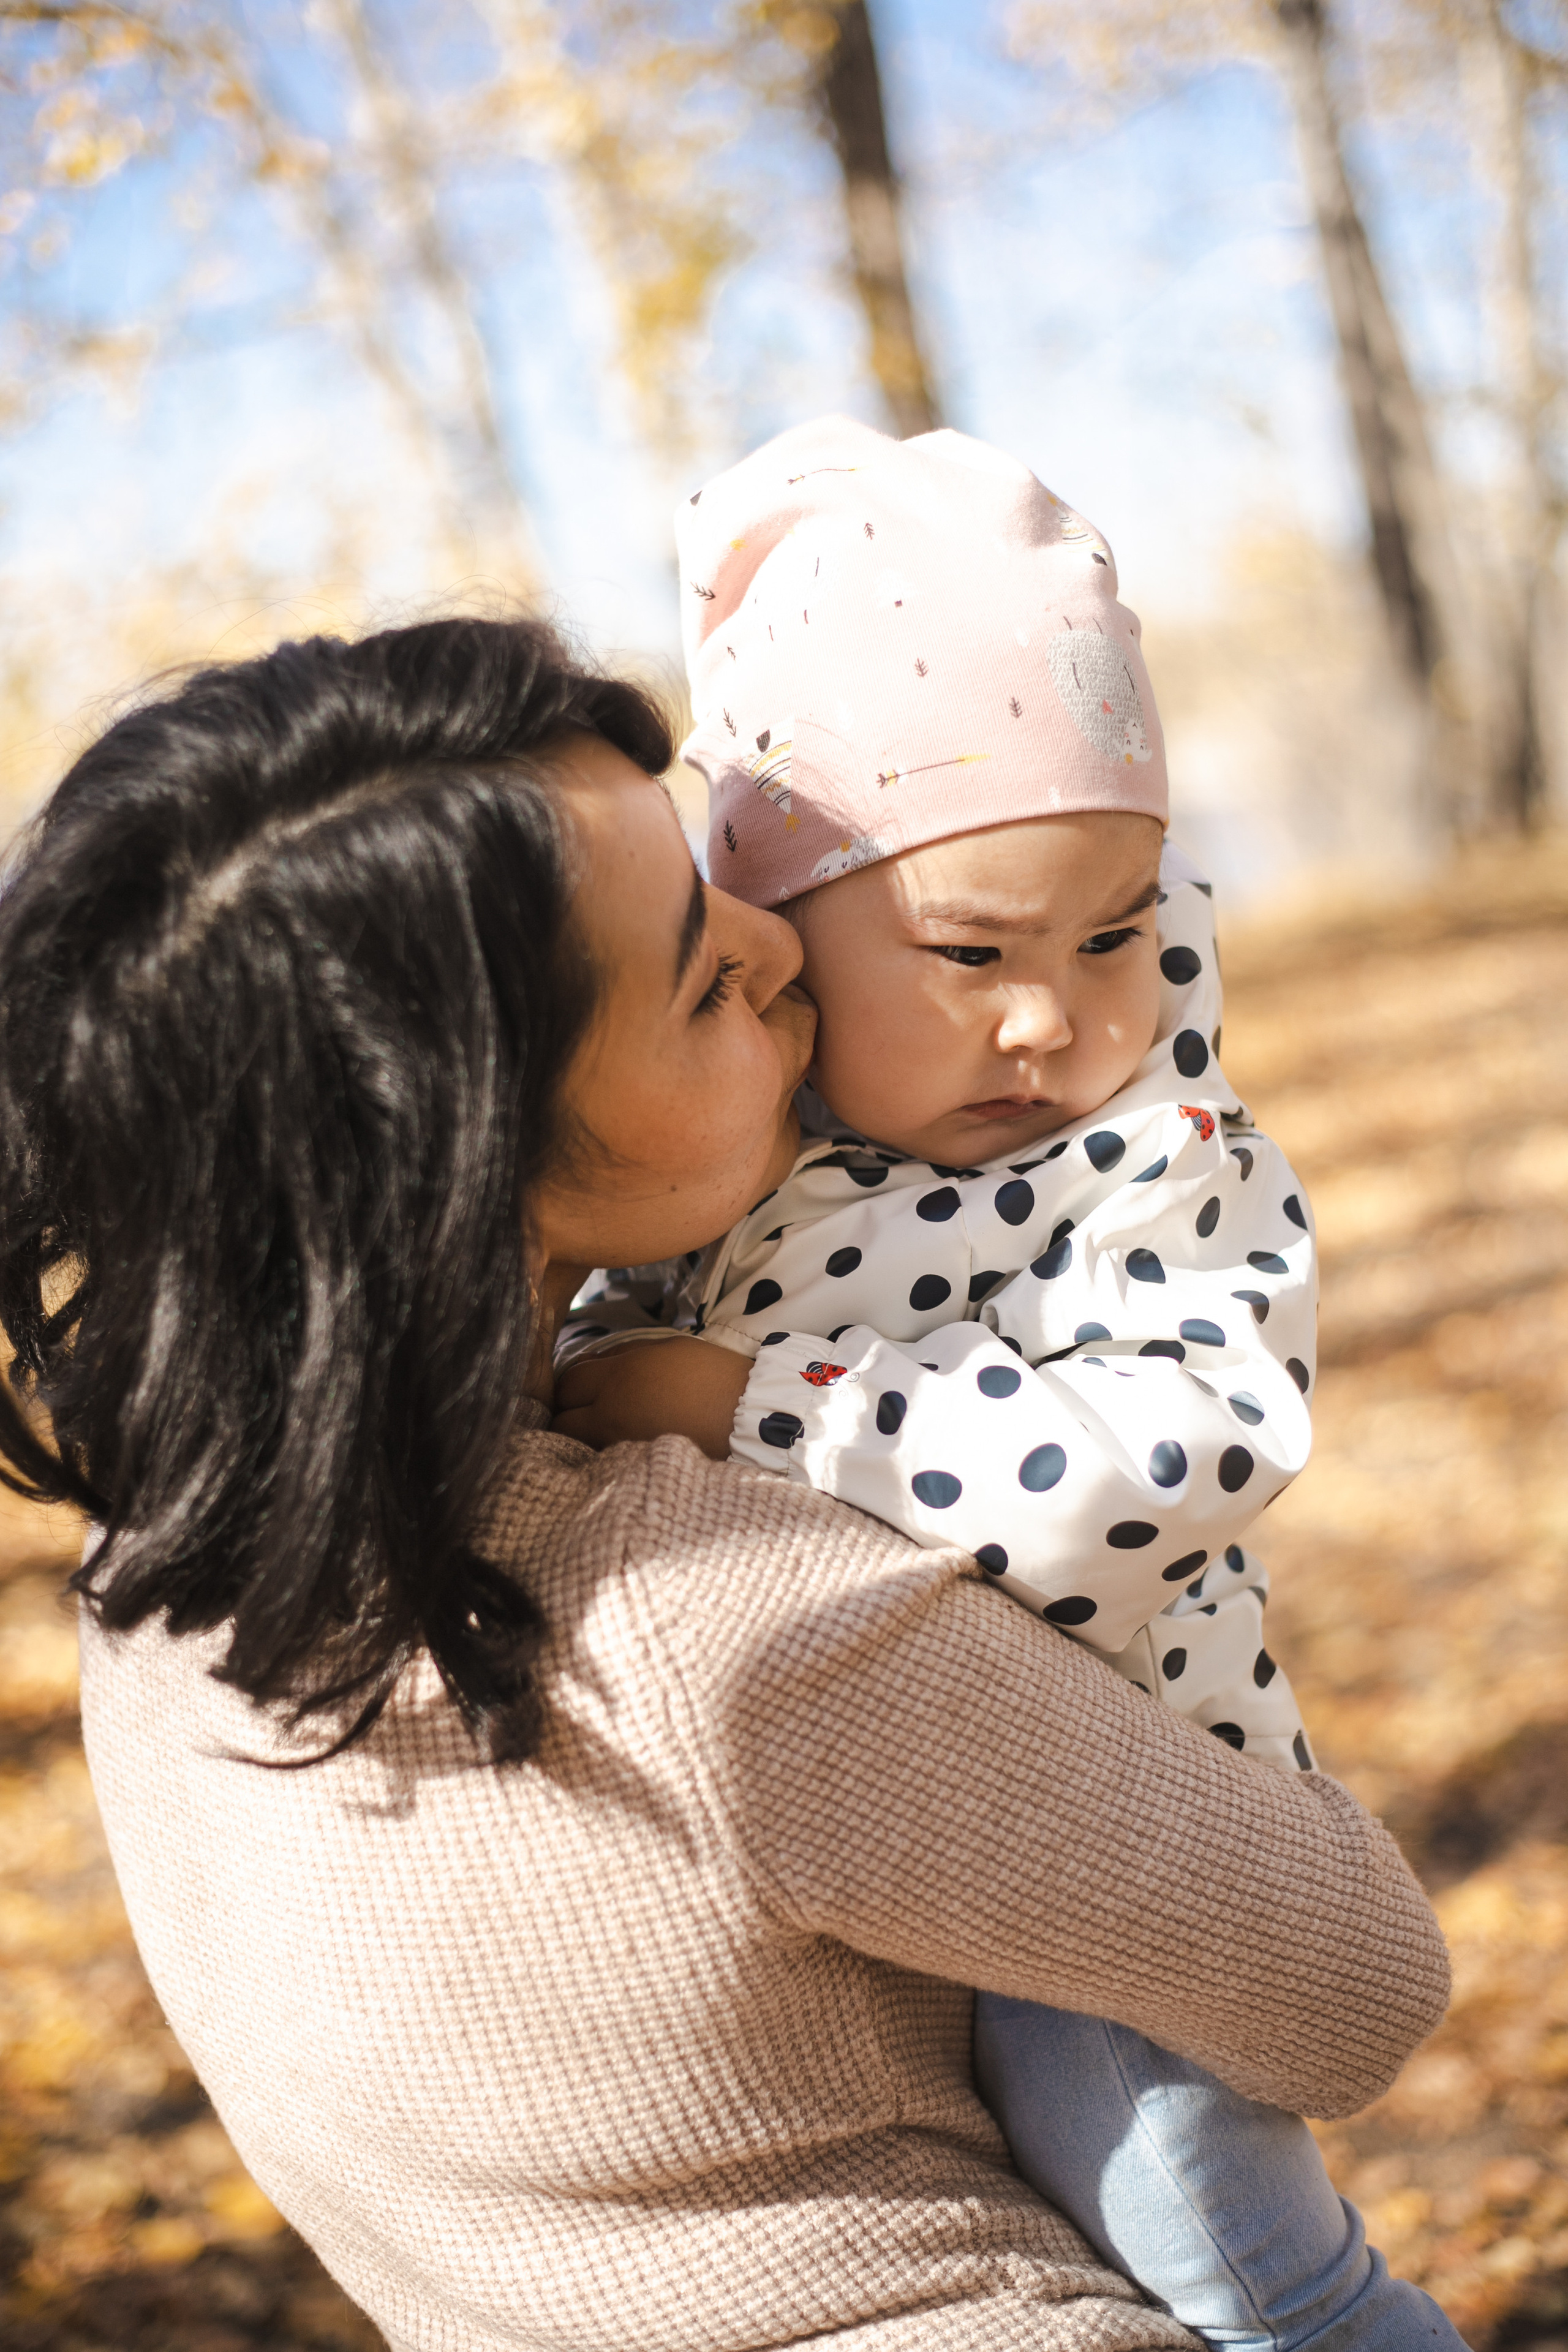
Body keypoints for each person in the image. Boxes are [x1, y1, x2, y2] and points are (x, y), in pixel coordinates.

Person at [0, 617, 1453, 2352]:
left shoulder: (165, 1595)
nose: (786, 944)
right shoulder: (727, 1626)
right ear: (470, 1158)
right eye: (702, 976)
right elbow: (1356, 1984)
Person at [552, 421, 1466, 2352]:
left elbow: (1172, 1454)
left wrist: (760, 1410)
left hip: (1116, 1835)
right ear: (776, 938)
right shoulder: (753, 1132)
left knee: (1241, 2274)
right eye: (969, 953)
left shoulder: (1156, 1156)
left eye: (1117, 935)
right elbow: (609, 1351)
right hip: (851, 1831)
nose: (1055, 1016)